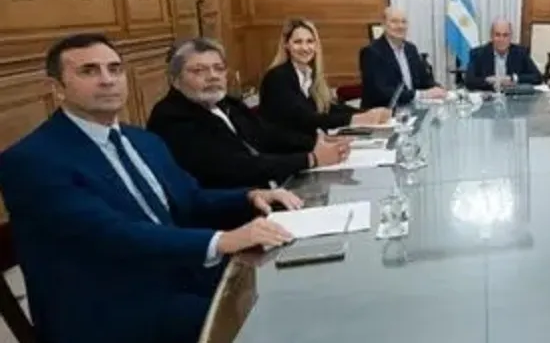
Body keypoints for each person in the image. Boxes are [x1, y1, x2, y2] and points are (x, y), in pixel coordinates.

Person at [0, 33, 300, 343]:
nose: (107, 80)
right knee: (267, 324)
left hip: (176, 275)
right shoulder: (31, 160)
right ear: (57, 88)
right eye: (88, 71)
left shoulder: (143, 140)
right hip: (108, 307)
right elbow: (111, 234)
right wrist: (222, 240)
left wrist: (251, 195)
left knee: (290, 291)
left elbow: (191, 198)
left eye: (115, 69)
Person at [148, 38, 351, 189]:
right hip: (231, 210)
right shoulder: (171, 117)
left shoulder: (227, 103)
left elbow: (265, 134)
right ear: (175, 79)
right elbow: (233, 166)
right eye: (199, 71)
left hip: (270, 188)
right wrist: (310, 159)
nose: (213, 76)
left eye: (218, 68)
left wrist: (315, 142)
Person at [260, 18, 390, 134]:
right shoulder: (277, 77)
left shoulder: (308, 74)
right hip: (287, 151)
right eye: (298, 42)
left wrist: (367, 113)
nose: (305, 48)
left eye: (310, 41)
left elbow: (328, 108)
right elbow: (304, 118)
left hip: (308, 144)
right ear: (286, 45)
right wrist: (355, 119)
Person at [359, 7, 448, 108]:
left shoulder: (411, 49)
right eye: (394, 22)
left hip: (412, 109)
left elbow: (424, 81)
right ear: (383, 24)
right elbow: (382, 92)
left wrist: (438, 89)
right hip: (383, 113)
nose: (400, 26)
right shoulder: (371, 52)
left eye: (404, 22)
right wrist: (421, 94)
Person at [464, 19, 542, 90]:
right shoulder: (478, 54)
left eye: (505, 35)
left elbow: (537, 77)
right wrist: (489, 82)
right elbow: (469, 81)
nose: (501, 39)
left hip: (513, 98)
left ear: (510, 37)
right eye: (497, 35)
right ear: (491, 36)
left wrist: (513, 78)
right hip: (488, 97)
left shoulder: (521, 53)